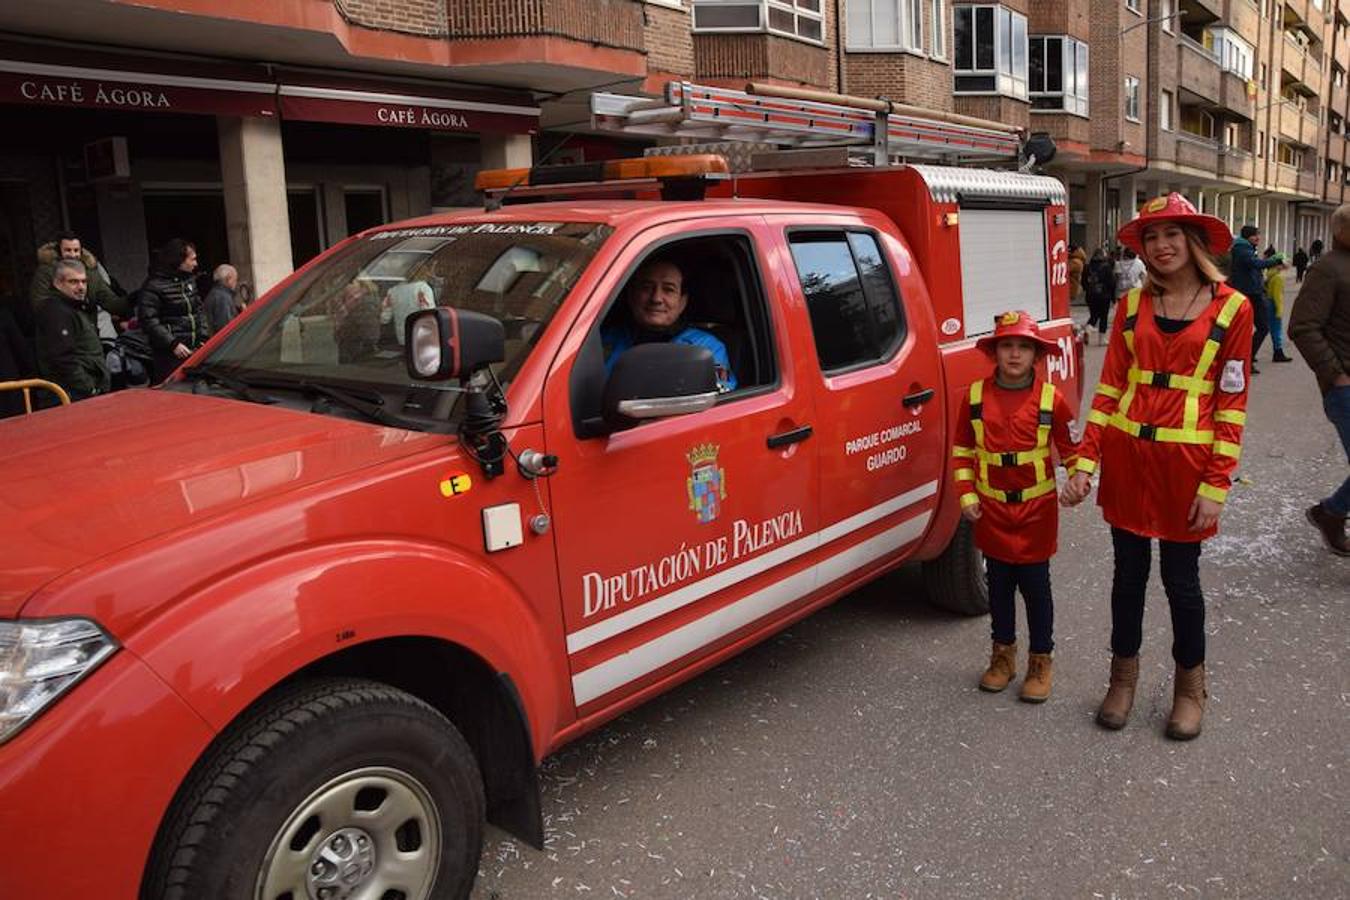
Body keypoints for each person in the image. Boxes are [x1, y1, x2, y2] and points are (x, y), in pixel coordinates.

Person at [1062, 193, 1253, 741]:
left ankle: (1190, 688)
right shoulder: (1131, 306)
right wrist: (1085, 460)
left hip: (1186, 469)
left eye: (1171, 234)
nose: (1161, 246)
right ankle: (1122, 678)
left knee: (1181, 581)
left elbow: (1231, 405)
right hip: (1129, 460)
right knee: (1127, 577)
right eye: (1151, 237)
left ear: (1193, 241)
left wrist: (1217, 484)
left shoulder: (1233, 309)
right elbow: (1109, 391)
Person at [952, 310, 1079, 703]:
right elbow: (960, 452)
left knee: (1037, 590)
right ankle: (1002, 657)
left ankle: (1041, 661)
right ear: (995, 352)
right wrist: (967, 495)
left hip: (1037, 515)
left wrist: (1079, 477)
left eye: (1023, 347)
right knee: (1000, 590)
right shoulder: (973, 398)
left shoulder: (1051, 399)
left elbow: (1072, 449)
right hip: (992, 513)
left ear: (1036, 356)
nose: (1014, 354)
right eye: (1007, 345)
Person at [1288, 203, 1350, 557]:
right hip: (1344, 387)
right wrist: (1335, 374)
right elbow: (1303, 327)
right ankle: (1331, 512)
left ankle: (1332, 511)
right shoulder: (1328, 269)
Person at [601, 257, 736, 392]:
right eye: (646, 288)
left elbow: (719, 396)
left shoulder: (706, 347)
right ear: (631, 295)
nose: (656, 298)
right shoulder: (602, 340)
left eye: (668, 289)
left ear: (682, 302)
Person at [33, 258, 111, 401]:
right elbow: (63, 358)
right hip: (72, 393)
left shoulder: (73, 307)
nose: (81, 287)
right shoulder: (56, 311)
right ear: (58, 283)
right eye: (73, 282)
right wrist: (89, 388)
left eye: (84, 281)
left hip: (80, 389)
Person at [137, 238, 211, 380]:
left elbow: (199, 310)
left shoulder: (189, 281)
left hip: (195, 350)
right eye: (192, 259)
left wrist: (203, 336)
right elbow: (149, 320)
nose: (196, 264)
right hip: (170, 355)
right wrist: (173, 343)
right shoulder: (154, 285)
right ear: (179, 261)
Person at [28, 230, 129, 325]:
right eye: (68, 250)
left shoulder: (90, 273)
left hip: (89, 330)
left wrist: (134, 298)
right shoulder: (46, 272)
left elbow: (110, 302)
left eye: (76, 250)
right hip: (60, 331)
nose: (73, 255)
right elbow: (40, 305)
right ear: (58, 251)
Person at [1228, 224, 1283, 372]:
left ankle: (1247, 358)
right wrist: (1275, 261)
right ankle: (1246, 359)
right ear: (1247, 237)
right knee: (1261, 327)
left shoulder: (1245, 248)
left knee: (1253, 328)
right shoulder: (1242, 250)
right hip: (1248, 293)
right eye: (1255, 235)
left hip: (1251, 292)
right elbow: (1256, 264)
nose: (1258, 237)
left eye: (1258, 234)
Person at [1263, 247, 1293, 363]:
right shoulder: (1278, 278)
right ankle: (1278, 352)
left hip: (1268, 303)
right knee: (1277, 330)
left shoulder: (1270, 274)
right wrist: (1280, 310)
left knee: (1271, 329)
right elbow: (1278, 296)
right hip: (1274, 305)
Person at [1085, 247, 1117, 345]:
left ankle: (1088, 329)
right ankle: (1101, 339)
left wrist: (1087, 289)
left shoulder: (1088, 266)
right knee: (1103, 317)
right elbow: (1111, 283)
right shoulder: (1106, 267)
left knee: (1094, 315)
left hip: (1090, 295)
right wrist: (1113, 297)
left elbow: (1083, 281)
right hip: (1104, 295)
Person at [204, 263, 241, 333]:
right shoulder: (223, 297)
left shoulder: (214, 293)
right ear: (228, 279)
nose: (236, 283)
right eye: (235, 279)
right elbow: (226, 327)